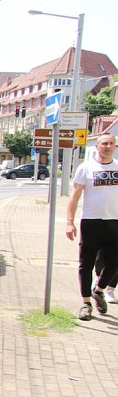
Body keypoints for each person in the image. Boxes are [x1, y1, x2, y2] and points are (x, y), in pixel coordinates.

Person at [66, 133, 118, 320]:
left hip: (114, 222)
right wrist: (69, 222)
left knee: (113, 264)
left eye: (111, 143)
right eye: (104, 143)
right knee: (86, 264)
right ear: (97, 146)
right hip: (91, 222)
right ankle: (86, 303)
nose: (108, 146)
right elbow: (74, 196)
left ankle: (99, 289)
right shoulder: (86, 168)